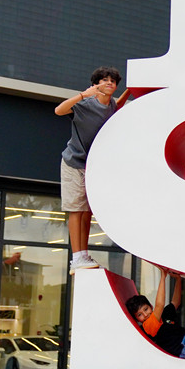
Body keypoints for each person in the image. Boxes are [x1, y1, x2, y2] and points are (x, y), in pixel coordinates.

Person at [54, 66, 129, 272]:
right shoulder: (85, 104)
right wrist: (82, 95)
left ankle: (83, 254)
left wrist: (131, 89)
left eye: (113, 81)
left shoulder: (111, 105)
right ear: (96, 84)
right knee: (76, 209)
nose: (109, 84)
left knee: (87, 210)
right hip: (73, 162)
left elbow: (118, 105)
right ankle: (76, 257)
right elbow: (58, 110)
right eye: (104, 80)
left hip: (92, 165)